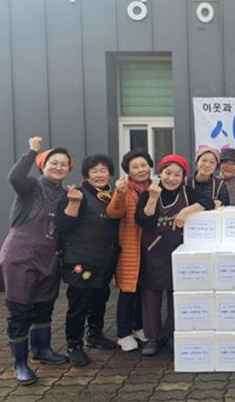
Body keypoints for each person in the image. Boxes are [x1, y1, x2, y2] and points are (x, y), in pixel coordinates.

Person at [0, 137, 71, 385]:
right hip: (21, 258)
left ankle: (42, 350)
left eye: (63, 164)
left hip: (49, 259)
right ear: (42, 165)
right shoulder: (30, 188)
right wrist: (32, 151)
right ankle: (20, 363)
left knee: (44, 307)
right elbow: (14, 177)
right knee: (19, 312)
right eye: (53, 163)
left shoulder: (66, 194)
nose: (58, 167)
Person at [135, 154, 214, 356]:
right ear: (160, 173)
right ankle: (153, 337)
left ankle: (171, 333)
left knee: (175, 294)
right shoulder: (149, 193)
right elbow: (143, 220)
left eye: (177, 174)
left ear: (183, 176)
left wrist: (187, 210)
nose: (172, 178)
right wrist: (153, 199)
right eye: (167, 173)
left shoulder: (188, 192)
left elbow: (208, 201)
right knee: (151, 295)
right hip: (153, 252)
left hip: (177, 252)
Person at [56, 154, 120, 367]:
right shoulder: (78, 195)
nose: (99, 175)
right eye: (94, 171)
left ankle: (95, 335)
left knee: (100, 298)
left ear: (110, 173)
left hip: (104, 259)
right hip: (81, 260)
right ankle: (74, 345)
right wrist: (73, 203)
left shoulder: (111, 195)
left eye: (103, 170)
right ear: (86, 175)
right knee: (79, 303)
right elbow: (63, 226)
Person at [105, 150, 154, 352]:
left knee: (143, 289)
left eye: (144, 165)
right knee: (128, 291)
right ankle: (123, 333)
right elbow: (113, 212)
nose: (141, 170)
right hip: (130, 246)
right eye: (135, 167)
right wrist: (119, 194)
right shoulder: (124, 189)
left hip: (150, 247)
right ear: (128, 171)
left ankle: (139, 327)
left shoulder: (155, 188)